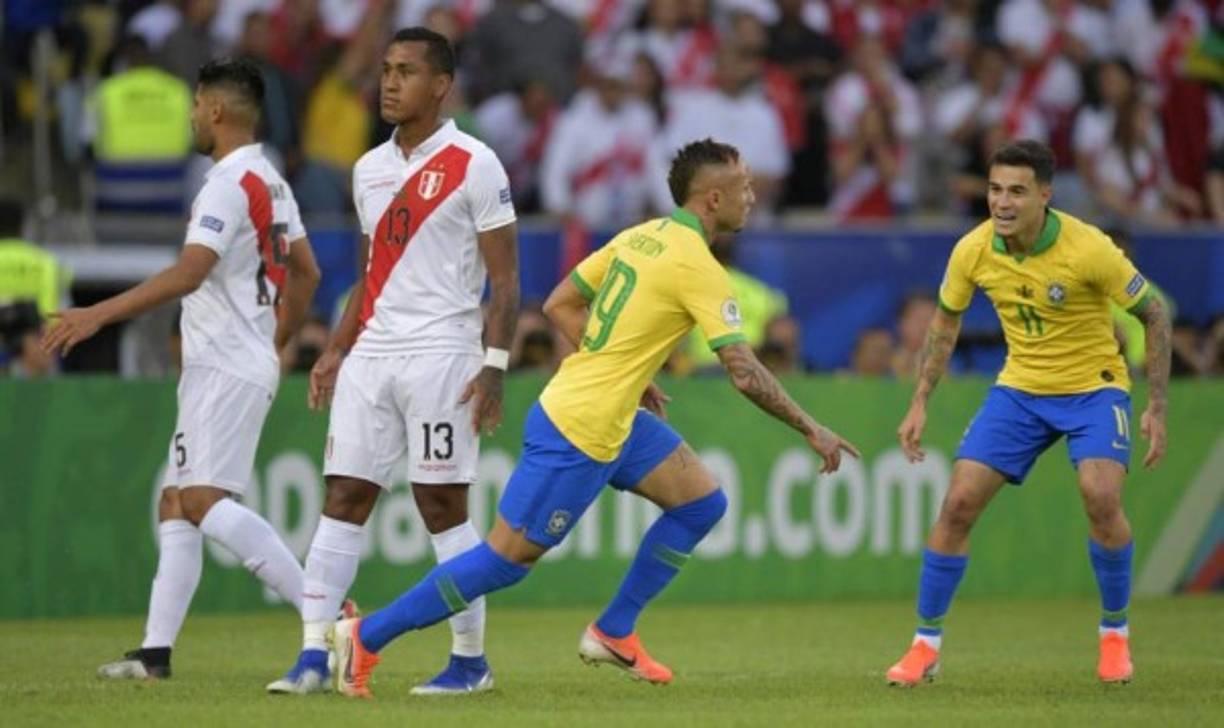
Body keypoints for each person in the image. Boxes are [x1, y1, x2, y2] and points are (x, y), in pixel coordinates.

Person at [324, 138, 860, 698]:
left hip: (615, 415)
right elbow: (744, 372)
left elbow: (560, 302)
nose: (753, 197)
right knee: (506, 561)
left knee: (702, 502)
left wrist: (619, 366)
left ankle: (614, 631)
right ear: (713, 198)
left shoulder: (641, 236)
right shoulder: (697, 265)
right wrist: (810, 427)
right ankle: (366, 636)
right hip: (579, 428)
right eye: (745, 188)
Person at [42, 58, 322, 679]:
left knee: (198, 499)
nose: (191, 116)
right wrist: (278, 338)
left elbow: (190, 271)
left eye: (195, 105)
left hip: (224, 364)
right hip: (233, 359)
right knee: (175, 503)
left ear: (216, 110)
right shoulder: (271, 181)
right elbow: (307, 272)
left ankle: (326, 618)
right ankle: (155, 653)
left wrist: (97, 315)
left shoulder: (225, 183)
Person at [267, 27, 520, 696]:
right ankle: (314, 655)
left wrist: (493, 366)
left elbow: (507, 281)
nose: (389, 82)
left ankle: (470, 662)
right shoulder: (368, 168)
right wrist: (336, 350)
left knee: (442, 505)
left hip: (444, 353)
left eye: (406, 71)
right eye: (385, 69)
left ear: (441, 85)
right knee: (343, 497)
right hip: (372, 352)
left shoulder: (476, 162)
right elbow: (369, 274)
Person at [884, 140, 1170, 687]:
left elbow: (1153, 315)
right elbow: (945, 324)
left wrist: (1156, 404)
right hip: (1020, 389)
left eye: (1016, 190)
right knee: (959, 502)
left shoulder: (1089, 248)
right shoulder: (973, 249)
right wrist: (920, 398)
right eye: (995, 189)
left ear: (1045, 194)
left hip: (1095, 389)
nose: (1002, 202)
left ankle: (1114, 635)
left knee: (1101, 496)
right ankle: (924, 645)